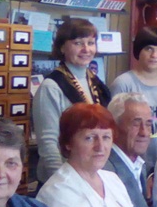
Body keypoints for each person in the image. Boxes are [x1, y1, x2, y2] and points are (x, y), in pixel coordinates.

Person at [33, 18, 111, 185]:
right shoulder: (51, 87)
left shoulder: (96, 83)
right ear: (62, 47)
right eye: (78, 43)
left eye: (91, 43)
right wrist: (63, 182)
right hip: (63, 180)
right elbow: (48, 144)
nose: (86, 49)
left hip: (91, 176)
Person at [110, 26, 157, 169]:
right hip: (131, 160)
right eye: (149, 49)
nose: (154, 55)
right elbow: (113, 125)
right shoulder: (123, 84)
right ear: (138, 51)